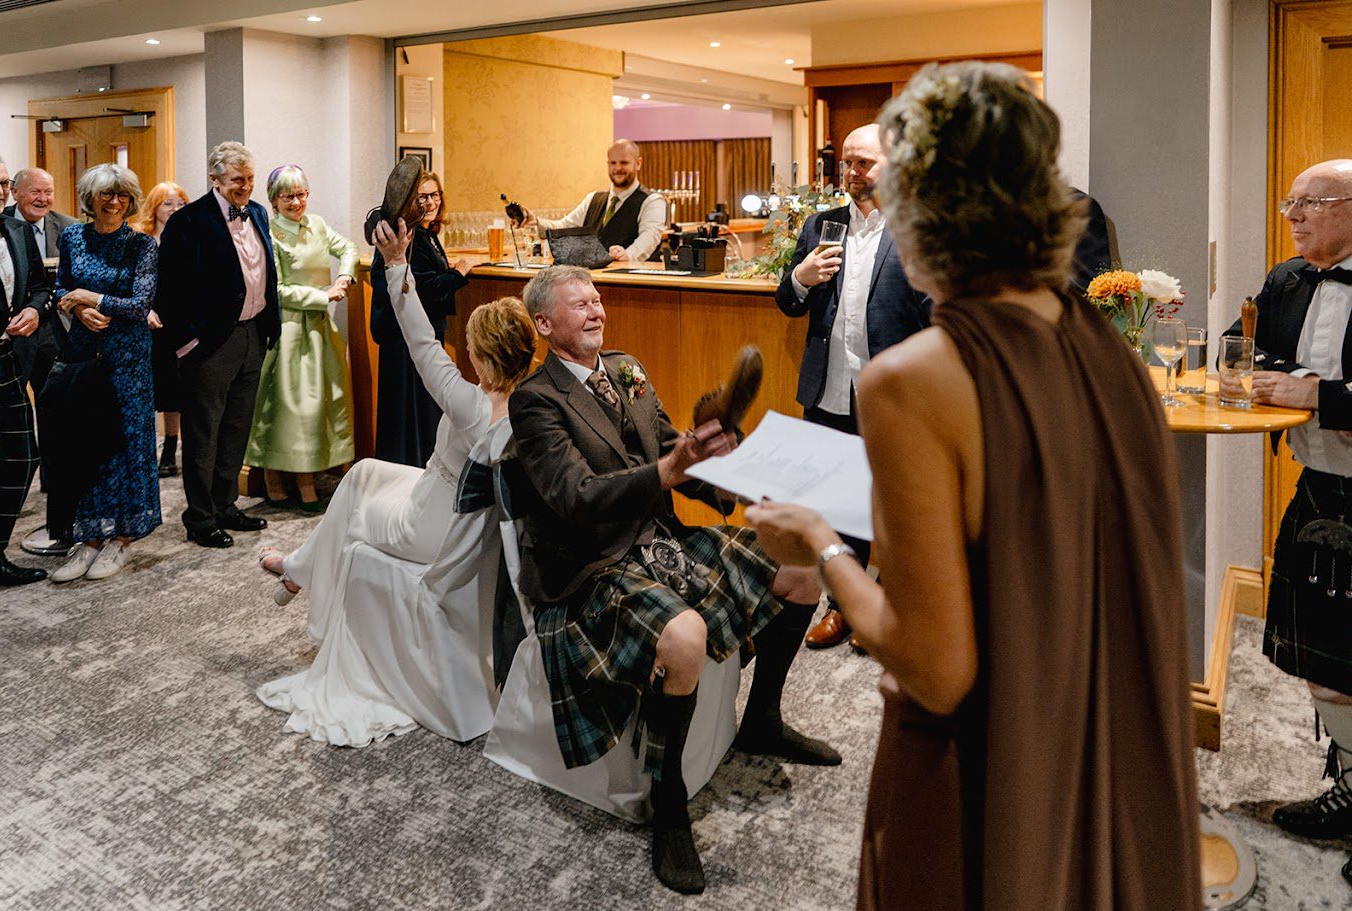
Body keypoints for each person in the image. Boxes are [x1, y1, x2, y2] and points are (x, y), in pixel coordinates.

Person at [747, 62, 1200, 909]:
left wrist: (819, 542)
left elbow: (935, 667)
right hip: (1097, 732)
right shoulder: (1112, 358)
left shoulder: (914, 379)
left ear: (921, 203)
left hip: (983, 760)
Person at [508, 265, 837, 895]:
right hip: (591, 569)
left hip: (661, 540)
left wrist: (724, 469)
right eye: (580, 305)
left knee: (801, 569)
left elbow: (671, 454)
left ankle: (762, 719)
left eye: (598, 299)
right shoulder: (536, 401)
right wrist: (669, 468)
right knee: (684, 637)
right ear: (544, 325)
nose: (597, 310)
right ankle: (669, 802)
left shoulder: (626, 368)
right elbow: (577, 497)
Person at [257, 218, 536, 745]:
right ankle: (297, 569)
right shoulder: (534, 404)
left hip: (429, 529)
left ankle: (302, 577)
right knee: (364, 472)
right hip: (467, 521)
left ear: (481, 356)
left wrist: (395, 265)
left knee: (355, 513)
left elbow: (420, 341)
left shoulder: (469, 404)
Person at [1220, 159, 1352, 885]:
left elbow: (1313, 391)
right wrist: (1284, 378)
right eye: (1289, 204)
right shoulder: (1286, 279)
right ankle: (1351, 787)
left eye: (1311, 203)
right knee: (1326, 667)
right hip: (1320, 489)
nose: (1294, 217)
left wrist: (1321, 397)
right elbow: (1240, 348)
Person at [775, 123, 930, 649]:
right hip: (830, 388)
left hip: (895, 394)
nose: (852, 172)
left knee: (898, 505)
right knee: (839, 505)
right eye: (846, 162)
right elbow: (787, 302)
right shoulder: (822, 225)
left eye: (864, 162)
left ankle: (894, 606)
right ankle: (843, 606)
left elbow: (937, 314)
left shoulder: (917, 228)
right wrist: (802, 277)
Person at [155, 141, 279, 549]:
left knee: (236, 427)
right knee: (203, 433)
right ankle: (200, 517)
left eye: (250, 179)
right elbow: (169, 289)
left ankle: (226, 505)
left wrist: (267, 328)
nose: (246, 186)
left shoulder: (257, 212)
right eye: (237, 180)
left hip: (252, 334)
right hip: (209, 343)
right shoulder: (188, 221)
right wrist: (187, 344)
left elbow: (264, 271)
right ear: (215, 179)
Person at [47, 165, 161, 582]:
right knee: (87, 444)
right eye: (106, 195)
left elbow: (140, 305)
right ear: (90, 199)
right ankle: (91, 537)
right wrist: (79, 308)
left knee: (128, 445)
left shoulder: (142, 245)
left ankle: (123, 538)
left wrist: (91, 297)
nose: (114, 203)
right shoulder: (73, 237)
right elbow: (61, 287)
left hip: (128, 361)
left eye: (122, 196)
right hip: (84, 355)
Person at [245, 166, 356, 511]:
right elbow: (276, 290)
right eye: (287, 197)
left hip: (319, 328)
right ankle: (284, 478)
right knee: (293, 408)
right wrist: (323, 296)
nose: (296, 202)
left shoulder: (317, 224)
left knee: (325, 402)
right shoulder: (269, 233)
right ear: (274, 200)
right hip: (289, 329)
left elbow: (348, 248)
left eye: (301, 194)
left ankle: (305, 474)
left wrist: (344, 278)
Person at [370, 170, 473, 468]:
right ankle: (409, 472)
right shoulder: (407, 237)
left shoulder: (425, 234)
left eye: (435, 195)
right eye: (423, 197)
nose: (431, 203)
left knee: (422, 413)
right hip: (405, 338)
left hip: (416, 336)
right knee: (408, 415)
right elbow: (423, 290)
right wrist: (458, 274)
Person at [0, 152, 50, 610]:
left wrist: (33, 309)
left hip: (7, 361)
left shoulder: (18, 229)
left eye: (4, 184)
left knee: (23, 457)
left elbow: (41, 287)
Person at [7, 167, 79, 559]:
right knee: (12, 416)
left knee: (56, 414)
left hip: (54, 332)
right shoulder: (1, 226)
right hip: (11, 336)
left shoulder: (67, 228)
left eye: (48, 192)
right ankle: (10, 491)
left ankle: (56, 493)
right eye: (35, 191)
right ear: (15, 193)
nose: (43, 199)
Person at [517, 139, 667, 263]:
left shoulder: (652, 201)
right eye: (613, 163)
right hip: (593, 279)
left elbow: (650, 237)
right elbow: (564, 226)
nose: (618, 168)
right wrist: (536, 222)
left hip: (632, 281)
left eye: (624, 163)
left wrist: (628, 255)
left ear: (638, 163)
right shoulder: (593, 199)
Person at [132, 181, 189, 479]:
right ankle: (142, 450)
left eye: (180, 203)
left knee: (174, 391)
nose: (175, 209)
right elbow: (131, 282)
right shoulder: (140, 239)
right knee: (148, 387)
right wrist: (144, 311)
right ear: (154, 207)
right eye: (168, 203)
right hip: (145, 320)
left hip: (178, 322)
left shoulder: (190, 235)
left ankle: (170, 449)